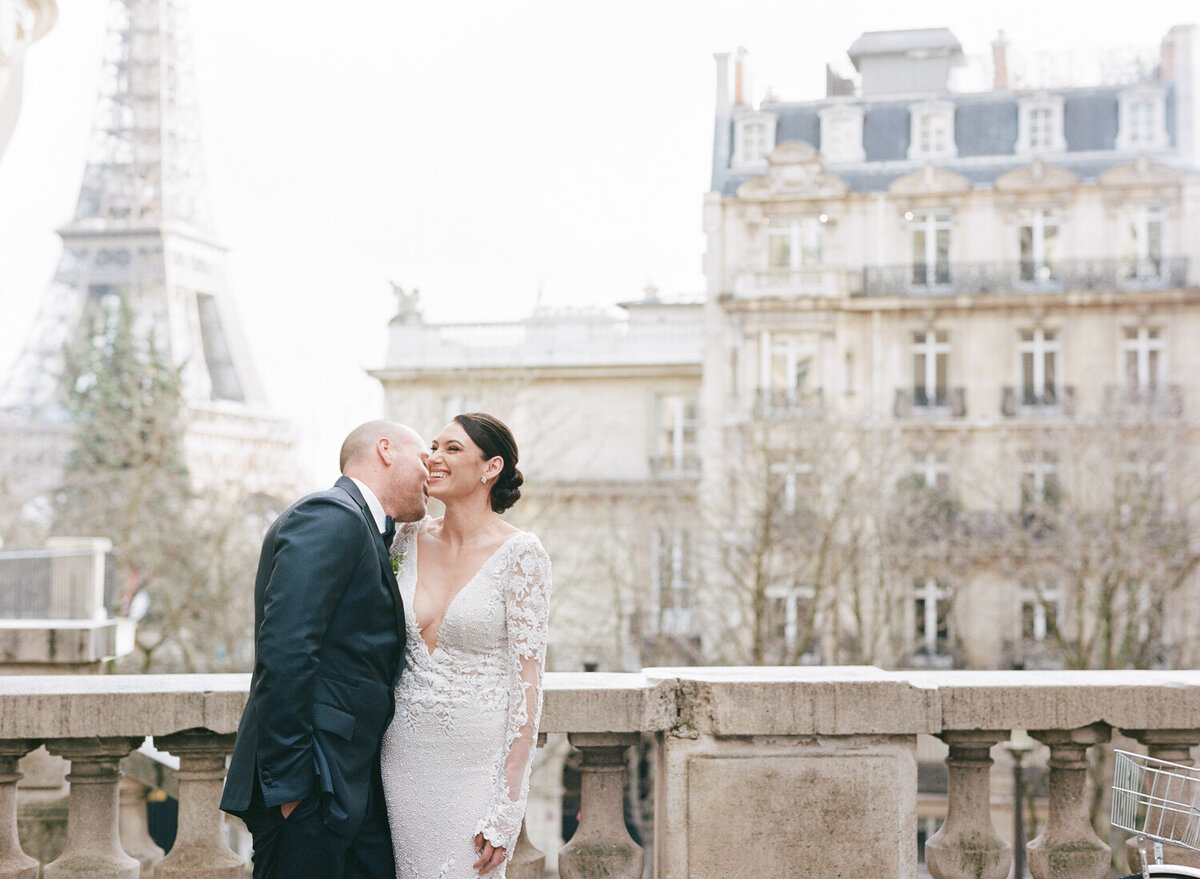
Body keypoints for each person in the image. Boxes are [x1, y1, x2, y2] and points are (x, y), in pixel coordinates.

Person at [220, 420, 430, 879]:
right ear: (385, 450)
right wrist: (293, 793)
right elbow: (287, 651)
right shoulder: (330, 516)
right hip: (313, 786)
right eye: (423, 458)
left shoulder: (364, 528)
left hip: (344, 783)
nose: (430, 472)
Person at [381, 412, 552, 878]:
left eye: (451, 449)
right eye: (433, 447)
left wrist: (507, 809)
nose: (433, 458)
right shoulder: (402, 541)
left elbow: (528, 691)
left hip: (475, 773)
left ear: (490, 467)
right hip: (401, 763)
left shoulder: (523, 555)